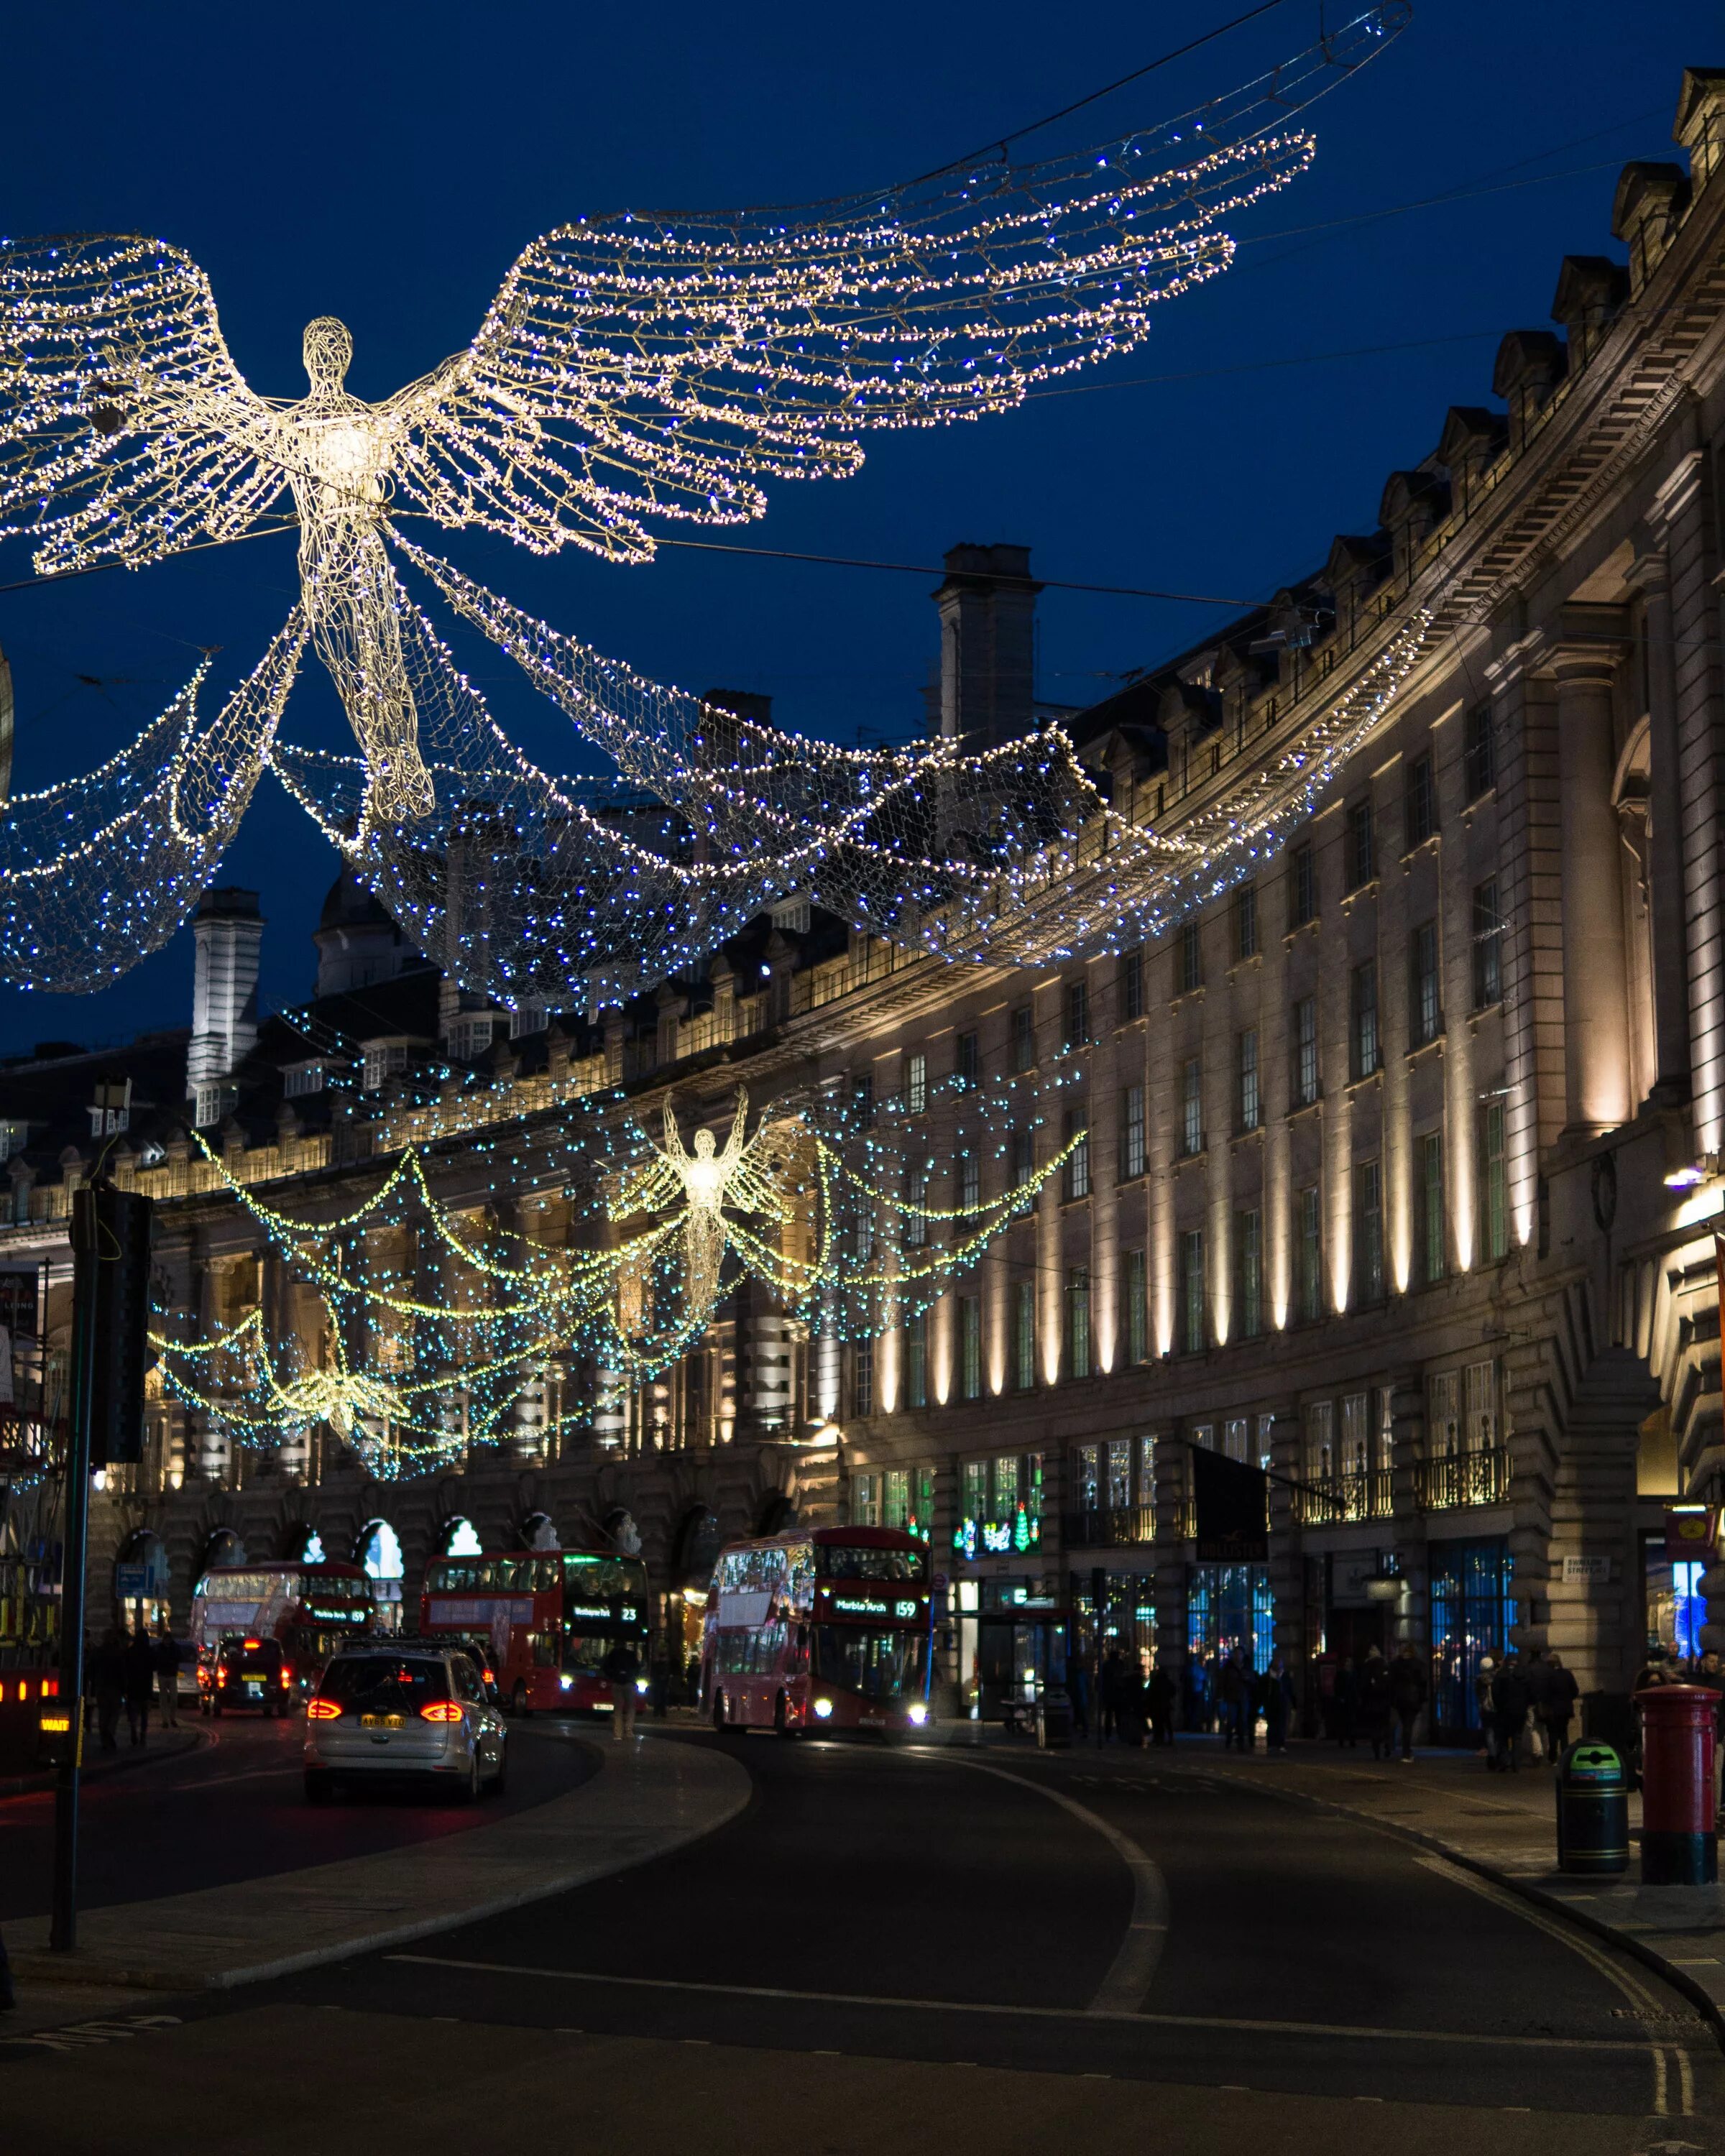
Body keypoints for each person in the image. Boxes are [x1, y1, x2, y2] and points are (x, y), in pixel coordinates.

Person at [1387, 1641, 1428, 1761]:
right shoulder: (1418, 1664)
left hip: (1400, 1699)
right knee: (1408, 1725)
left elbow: (1391, 1683)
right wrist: (1421, 1698)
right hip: (1413, 1698)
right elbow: (1423, 1683)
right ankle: (1406, 1752)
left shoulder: (1395, 1664)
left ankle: (1402, 1750)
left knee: (1403, 1723)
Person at [1491, 1654, 1531, 1773]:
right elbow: (1530, 1693)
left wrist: (1499, 1706)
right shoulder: (1524, 1675)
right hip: (1519, 1712)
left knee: (1503, 1738)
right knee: (1517, 1737)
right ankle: (1516, 1763)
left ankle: (1504, 1761)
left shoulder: (1501, 1675)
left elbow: (1495, 1694)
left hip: (1504, 1711)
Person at [91, 1626, 126, 1754]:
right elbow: (122, 1672)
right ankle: (110, 1732)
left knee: (103, 1713)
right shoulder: (118, 1653)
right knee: (115, 1712)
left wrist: (94, 1684)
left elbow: (92, 1669)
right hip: (114, 1687)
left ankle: (104, 1738)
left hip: (101, 1686)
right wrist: (124, 1688)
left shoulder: (98, 1652)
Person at [1541, 1651, 1579, 1764]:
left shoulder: (1548, 1677)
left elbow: (1545, 1694)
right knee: (1563, 1734)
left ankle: (1553, 1758)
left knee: (1552, 1734)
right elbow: (1575, 1691)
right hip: (1565, 1709)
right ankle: (1565, 1757)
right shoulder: (1567, 1674)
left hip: (1552, 1710)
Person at [602, 1636, 642, 1741]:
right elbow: (638, 1668)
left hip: (617, 1683)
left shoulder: (613, 1654)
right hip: (629, 1683)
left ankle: (618, 1733)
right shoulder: (631, 1655)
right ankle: (629, 1731)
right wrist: (632, 1676)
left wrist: (614, 1675)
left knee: (618, 1709)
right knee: (631, 1707)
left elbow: (605, 1667)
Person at [122, 1625, 156, 1746]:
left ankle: (133, 1730)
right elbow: (153, 1667)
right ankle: (143, 1735)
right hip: (145, 1687)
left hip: (133, 1686)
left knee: (134, 1713)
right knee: (144, 1714)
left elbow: (125, 1668)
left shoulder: (130, 1652)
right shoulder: (150, 1652)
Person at [1359, 1645, 1393, 1761]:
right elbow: (1390, 1683)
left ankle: (1377, 1751)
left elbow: (1363, 1685)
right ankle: (1387, 1744)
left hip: (1372, 1701)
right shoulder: (1384, 1664)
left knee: (1374, 1727)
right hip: (1384, 1700)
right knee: (1385, 1724)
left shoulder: (1367, 1665)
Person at [1261, 1654, 1296, 1754]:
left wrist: (1293, 1702)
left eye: (1279, 1662)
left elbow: (1290, 1690)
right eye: (1276, 1662)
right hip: (1271, 1704)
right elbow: (1263, 1691)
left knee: (1282, 1724)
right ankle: (1271, 1744)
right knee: (1272, 1724)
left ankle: (1281, 1744)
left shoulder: (1285, 1676)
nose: (1278, 1664)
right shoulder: (1267, 1677)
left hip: (1283, 1703)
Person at [154, 1619, 182, 1731]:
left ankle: (172, 1718)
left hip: (171, 1675)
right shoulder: (159, 1648)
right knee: (164, 1699)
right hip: (163, 1675)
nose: (167, 1641)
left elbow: (179, 1657)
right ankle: (165, 1720)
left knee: (174, 1699)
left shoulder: (174, 1648)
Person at [1218, 1653, 1248, 1752]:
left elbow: (1252, 1681)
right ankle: (1229, 1739)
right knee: (1231, 1720)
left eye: (1240, 1654)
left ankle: (1240, 1741)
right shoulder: (1229, 1669)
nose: (1238, 1656)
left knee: (1241, 1721)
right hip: (1232, 1698)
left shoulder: (1246, 1668)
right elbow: (1223, 1682)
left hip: (1243, 1698)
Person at [1474, 1655, 1499, 1769]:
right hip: (1497, 1707)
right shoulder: (1497, 1677)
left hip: (1486, 1708)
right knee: (1498, 1733)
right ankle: (1498, 1754)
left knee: (1489, 1732)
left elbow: (1478, 1694)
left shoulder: (1480, 1679)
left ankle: (1492, 1756)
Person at [1099, 1648, 1128, 1743]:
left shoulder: (1107, 1665)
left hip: (1110, 1694)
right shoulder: (1119, 1664)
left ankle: (1109, 1734)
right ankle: (1119, 1733)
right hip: (1117, 1694)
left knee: (1109, 1715)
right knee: (1118, 1715)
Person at [1147, 1661, 1177, 1746]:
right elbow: (1173, 1691)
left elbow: (1150, 1692)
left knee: (1157, 1723)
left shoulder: (1155, 1680)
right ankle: (1168, 1738)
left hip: (1156, 1705)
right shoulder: (1167, 1681)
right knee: (1167, 1722)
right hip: (1165, 1704)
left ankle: (1158, 1738)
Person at [1335, 1655, 1360, 1749]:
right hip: (1344, 1700)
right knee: (1343, 1721)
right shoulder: (1341, 1674)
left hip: (1351, 1699)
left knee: (1352, 1721)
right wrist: (1340, 1697)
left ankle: (1351, 1740)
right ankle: (1342, 1739)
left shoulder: (1354, 1673)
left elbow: (1356, 1686)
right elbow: (1337, 1686)